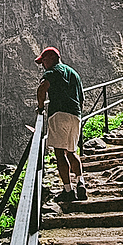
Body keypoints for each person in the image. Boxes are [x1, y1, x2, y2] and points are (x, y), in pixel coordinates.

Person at [36, 46, 86, 202]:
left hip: (59, 114)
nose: (42, 65)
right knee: (72, 151)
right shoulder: (74, 73)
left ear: (51, 58)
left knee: (59, 153)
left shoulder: (52, 72)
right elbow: (82, 98)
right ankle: (81, 183)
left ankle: (68, 190)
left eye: (43, 61)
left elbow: (42, 88)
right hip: (75, 115)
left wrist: (40, 107)